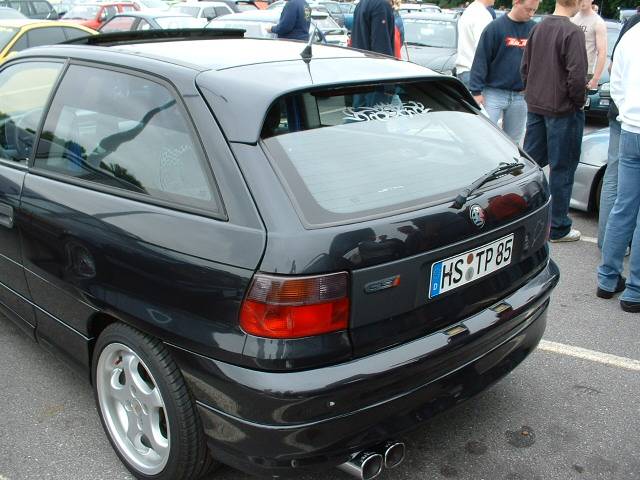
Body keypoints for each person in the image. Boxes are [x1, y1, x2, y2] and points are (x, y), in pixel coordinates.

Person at [521, 0, 587, 243]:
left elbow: (525, 67)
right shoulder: (572, 32)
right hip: (562, 111)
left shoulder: (538, 27)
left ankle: (523, 214)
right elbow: (577, 76)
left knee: (530, 165)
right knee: (562, 168)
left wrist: (531, 92)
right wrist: (579, 102)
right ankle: (558, 226)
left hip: (537, 105)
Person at [597, 22, 640, 311]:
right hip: (632, 123)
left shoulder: (631, 36)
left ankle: (607, 278)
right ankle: (635, 291)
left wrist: (628, 112)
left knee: (623, 206)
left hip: (630, 128)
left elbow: (617, 81)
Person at [469, 0, 540, 143]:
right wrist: (476, 91)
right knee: (485, 138)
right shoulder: (495, 27)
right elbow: (481, 59)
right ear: (516, 2)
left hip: (521, 95)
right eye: (528, 9)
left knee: (513, 143)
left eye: (534, 10)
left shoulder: (535, 29)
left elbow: (539, 61)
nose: (531, 14)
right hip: (493, 92)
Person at [455, 0, 495, 88]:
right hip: (476, 73)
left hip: (464, 70)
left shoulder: (469, 10)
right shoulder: (482, 15)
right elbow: (483, 47)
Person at [571, 0, 607, 91]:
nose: (582, 2)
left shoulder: (598, 22)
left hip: (585, 72)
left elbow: (602, 52)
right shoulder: (572, 18)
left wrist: (596, 78)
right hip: (567, 68)